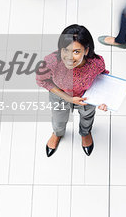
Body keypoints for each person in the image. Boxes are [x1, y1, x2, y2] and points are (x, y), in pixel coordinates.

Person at [36, 25, 108, 157]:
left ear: (86, 51)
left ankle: (85, 133)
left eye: (76, 51)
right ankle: (57, 133)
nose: (69, 57)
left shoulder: (96, 63)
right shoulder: (51, 62)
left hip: (87, 97)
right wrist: (69, 99)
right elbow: (41, 80)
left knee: (87, 117)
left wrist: (103, 100)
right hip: (60, 95)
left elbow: (102, 79)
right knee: (58, 118)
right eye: (65, 50)